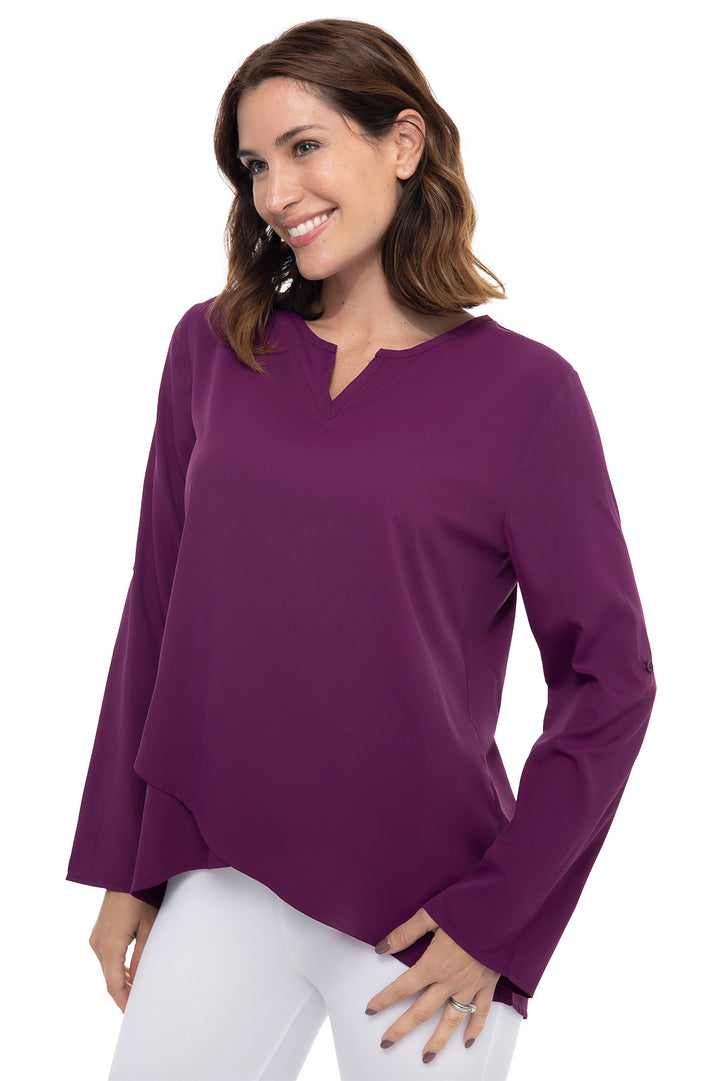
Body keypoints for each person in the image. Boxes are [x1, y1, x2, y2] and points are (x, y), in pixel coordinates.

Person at [66, 17, 657, 1081]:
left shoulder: (529, 395)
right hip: (221, 871)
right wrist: (127, 865)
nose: (276, 192)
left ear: (403, 143)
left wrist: (498, 919)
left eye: (305, 147)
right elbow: (154, 608)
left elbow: (611, 679)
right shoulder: (214, 348)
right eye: (254, 165)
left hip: (427, 917)